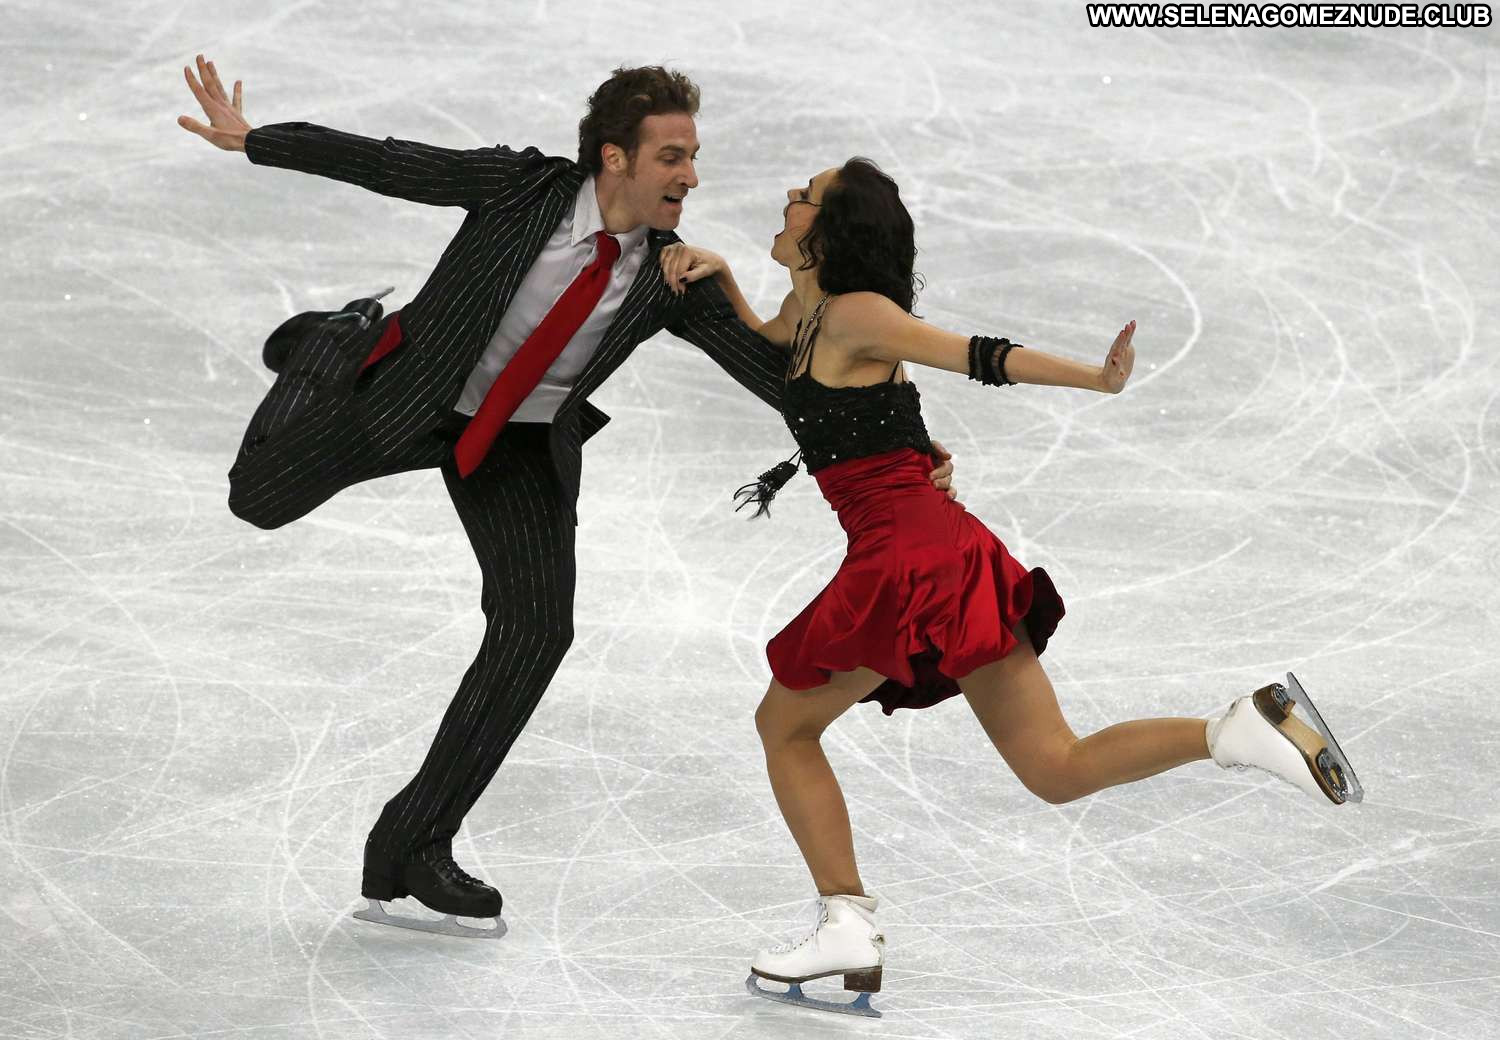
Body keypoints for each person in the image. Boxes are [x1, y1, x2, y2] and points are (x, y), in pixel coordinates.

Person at [175, 56, 962, 939]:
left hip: (517, 444)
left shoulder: (671, 273)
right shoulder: (520, 188)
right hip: (406, 395)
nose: (691, 177)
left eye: (693, 157)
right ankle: (327, 344)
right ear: (615, 158)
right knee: (256, 499)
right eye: (672, 157)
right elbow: (390, 163)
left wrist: (900, 443)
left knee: (537, 629)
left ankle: (414, 845)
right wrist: (258, 141)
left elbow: (790, 381)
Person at [659, 157, 1362, 1018]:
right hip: (945, 551)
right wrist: (727, 277)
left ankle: (846, 927)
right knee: (1054, 767)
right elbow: (774, 338)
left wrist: (1095, 378)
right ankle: (1238, 729)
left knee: (784, 725)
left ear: (831, 232)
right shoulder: (811, 312)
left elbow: (978, 356)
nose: (788, 198)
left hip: (903, 561)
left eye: (804, 197)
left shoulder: (855, 314)